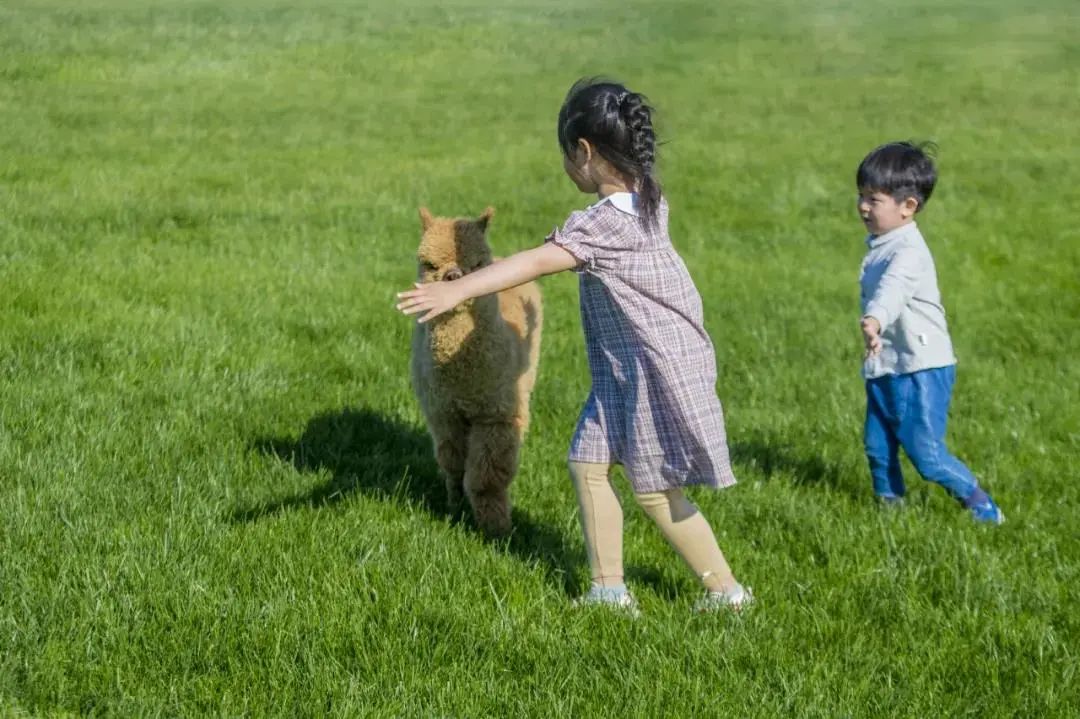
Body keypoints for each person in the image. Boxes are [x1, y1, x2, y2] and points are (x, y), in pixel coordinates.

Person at [396, 78, 751, 613]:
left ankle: (726, 593)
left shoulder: (605, 224)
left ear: (583, 153)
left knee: (655, 491)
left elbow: (537, 262)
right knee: (588, 465)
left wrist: (461, 287)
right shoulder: (647, 199)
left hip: (652, 371)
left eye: (566, 154)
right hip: (622, 369)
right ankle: (609, 590)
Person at [856, 141, 1004, 524]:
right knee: (878, 446)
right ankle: (890, 509)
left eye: (874, 199)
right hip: (887, 363)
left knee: (926, 454)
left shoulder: (908, 252)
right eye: (861, 197)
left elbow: (894, 288)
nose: (863, 207)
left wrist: (874, 319)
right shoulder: (883, 243)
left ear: (908, 207)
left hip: (921, 366)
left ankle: (980, 504)